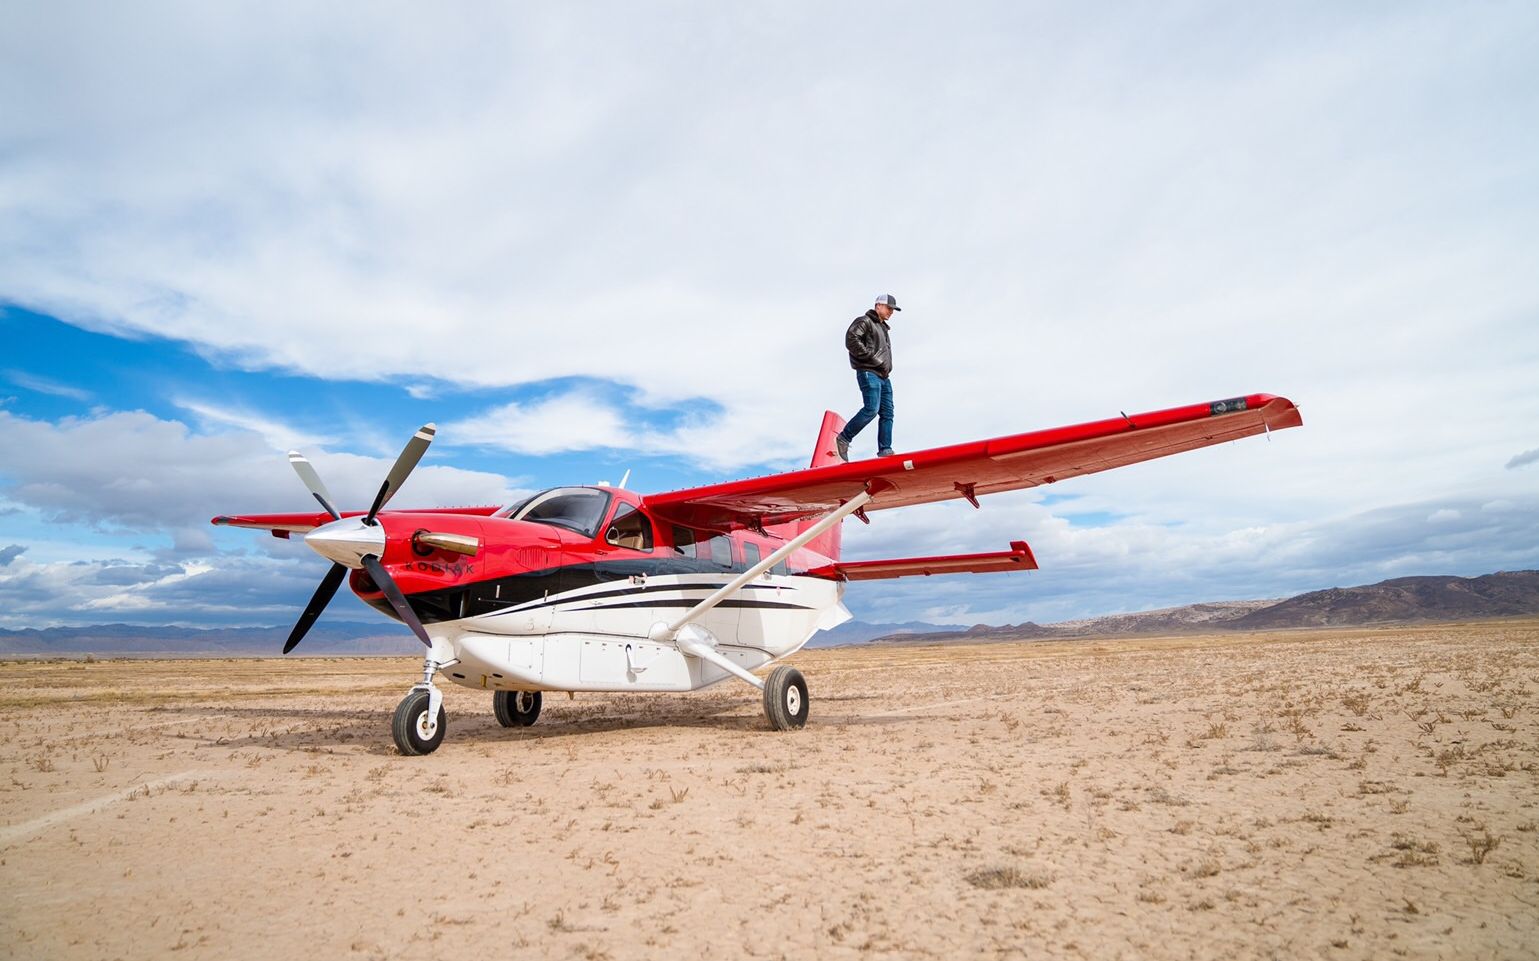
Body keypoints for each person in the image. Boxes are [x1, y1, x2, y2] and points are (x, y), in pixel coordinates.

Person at [835, 294, 899, 461]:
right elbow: (851, 338)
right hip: (869, 372)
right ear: (878, 306)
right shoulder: (865, 321)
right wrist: (870, 357)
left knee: (888, 413)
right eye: (889, 308)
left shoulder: (883, 328)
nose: (891, 312)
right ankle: (844, 438)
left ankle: (885, 449)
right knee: (871, 409)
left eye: (893, 309)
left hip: (884, 376)